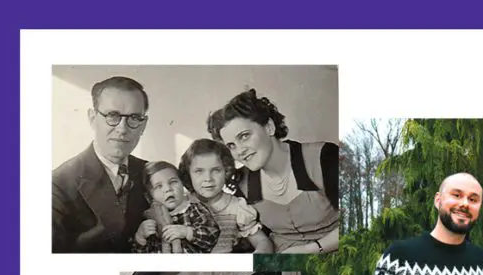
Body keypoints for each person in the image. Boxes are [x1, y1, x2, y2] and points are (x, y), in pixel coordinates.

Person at [207, 89, 339, 254]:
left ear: (269, 127)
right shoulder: (242, 183)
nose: (239, 151)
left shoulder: (324, 157)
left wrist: (311, 249)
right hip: (284, 268)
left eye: (244, 136)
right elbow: (258, 237)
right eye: (231, 145)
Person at [52, 76, 150, 253]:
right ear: (92, 118)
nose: (122, 128)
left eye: (134, 117)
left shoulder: (152, 173)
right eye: (112, 115)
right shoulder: (58, 184)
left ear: (143, 125)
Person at [178, 139, 274, 253]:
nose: (208, 178)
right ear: (188, 174)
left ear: (226, 171)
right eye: (199, 171)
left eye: (216, 170)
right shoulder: (182, 204)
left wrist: (259, 254)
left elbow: (262, 242)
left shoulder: (237, 207)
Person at [133, 161, 220, 253]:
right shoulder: (150, 219)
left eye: (173, 182)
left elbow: (212, 235)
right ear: (149, 196)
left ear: (182, 184)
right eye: (159, 186)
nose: (168, 189)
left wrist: (187, 232)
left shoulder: (193, 208)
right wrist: (140, 237)